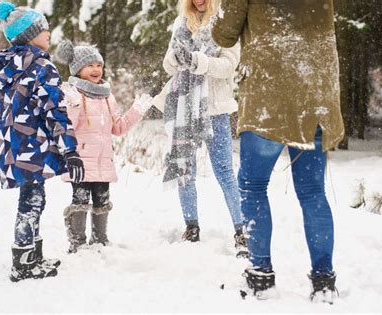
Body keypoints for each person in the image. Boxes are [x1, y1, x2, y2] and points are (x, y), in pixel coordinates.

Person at [212, 0, 345, 302]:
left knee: (252, 186)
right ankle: (324, 282)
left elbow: (223, 34)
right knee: (313, 191)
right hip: (315, 96)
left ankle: (261, 276)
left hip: (267, 99)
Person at [0, 1, 85, 281]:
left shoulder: (8, 67)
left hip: (13, 146)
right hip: (33, 145)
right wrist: (70, 150)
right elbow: (54, 111)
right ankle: (23, 263)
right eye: (43, 29)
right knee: (31, 202)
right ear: (29, 35)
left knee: (33, 198)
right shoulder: (42, 66)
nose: (48, 33)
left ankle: (33, 256)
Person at [154, 0, 247, 256]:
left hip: (214, 109)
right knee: (185, 169)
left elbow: (229, 66)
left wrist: (198, 61)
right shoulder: (182, 23)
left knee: (224, 171)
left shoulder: (224, 23)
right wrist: (176, 59)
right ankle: (191, 226)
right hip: (184, 107)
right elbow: (167, 65)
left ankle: (241, 230)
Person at [55, 41, 153, 253]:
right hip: (80, 161)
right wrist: (71, 105)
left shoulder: (107, 96)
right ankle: (78, 243)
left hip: (103, 162)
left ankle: (100, 240)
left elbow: (117, 127)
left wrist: (137, 110)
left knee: (102, 199)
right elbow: (68, 126)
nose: (96, 69)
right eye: (90, 65)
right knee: (80, 200)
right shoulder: (73, 93)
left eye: (98, 65)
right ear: (77, 69)